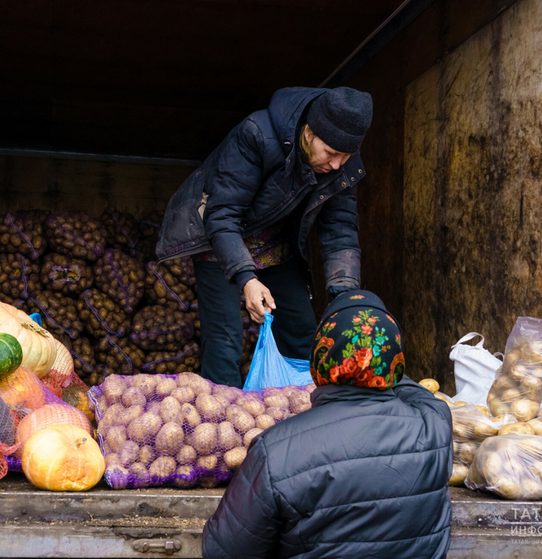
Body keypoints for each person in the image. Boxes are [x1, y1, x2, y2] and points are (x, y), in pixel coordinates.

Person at [202, 290, 453, 559]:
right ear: (397, 362)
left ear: (317, 362)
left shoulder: (275, 451)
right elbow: (414, 390)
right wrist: (377, 360)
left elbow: (222, 552)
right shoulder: (435, 425)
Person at [156, 86, 373, 388]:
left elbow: (341, 231)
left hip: (273, 241)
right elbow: (222, 215)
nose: (337, 164)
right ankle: (225, 423)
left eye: (345, 156)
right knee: (225, 341)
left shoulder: (342, 164)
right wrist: (247, 279)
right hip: (219, 238)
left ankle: (309, 415)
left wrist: (346, 296)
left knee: (302, 331)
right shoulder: (256, 134)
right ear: (309, 133)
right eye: (331, 154)